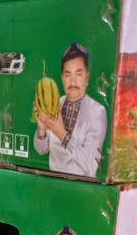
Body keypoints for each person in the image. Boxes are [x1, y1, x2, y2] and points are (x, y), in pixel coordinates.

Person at [33, 43, 105, 178]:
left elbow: (91, 165)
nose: (73, 81)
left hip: (83, 186)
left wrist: (61, 133)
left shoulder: (97, 111)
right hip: (53, 182)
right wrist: (41, 130)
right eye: (68, 75)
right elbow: (41, 150)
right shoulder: (56, 103)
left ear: (87, 77)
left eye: (78, 74)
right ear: (62, 78)